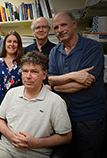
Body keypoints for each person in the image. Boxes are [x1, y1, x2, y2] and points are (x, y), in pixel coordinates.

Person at [0, 51, 72, 158]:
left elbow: (66, 137)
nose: (28, 76)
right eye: (25, 71)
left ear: (44, 75)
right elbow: (0, 119)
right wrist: (10, 136)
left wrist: (36, 143)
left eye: (34, 72)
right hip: (6, 148)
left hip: (35, 153)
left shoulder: (56, 102)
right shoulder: (12, 93)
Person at [47, 11, 107, 158]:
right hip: (64, 116)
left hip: (89, 116)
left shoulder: (93, 48)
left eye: (63, 25)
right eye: (56, 27)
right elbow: (50, 79)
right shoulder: (55, 51)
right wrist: (73, 76)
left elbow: (82, 84)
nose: (60, 30)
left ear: (74, 24)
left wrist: (56, 86)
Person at [0, 31, 24, 130]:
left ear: (19, 45)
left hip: (16, 109)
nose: (12, 44)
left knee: (13, 137)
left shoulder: (23, 64)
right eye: (9, 41)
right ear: (4, 44)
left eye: (15, 42)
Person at [24, 17, 56, 84]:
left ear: (49, 29)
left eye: (44, 27)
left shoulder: (56, 50)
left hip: (50, 89)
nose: (41, 30)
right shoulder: (25, 51)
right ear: (33, 31)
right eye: (37, 28)